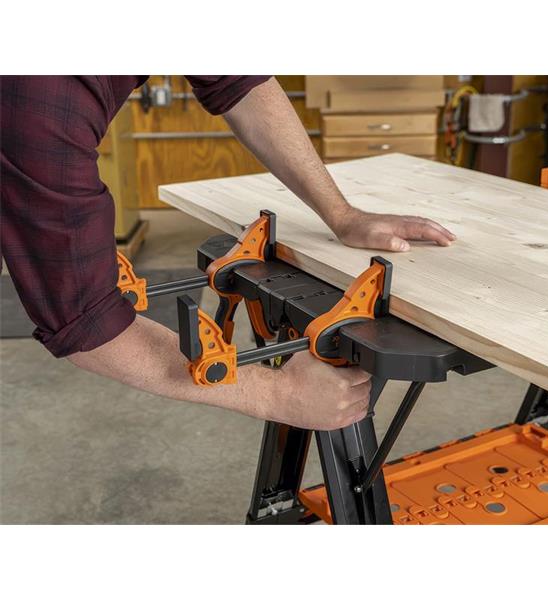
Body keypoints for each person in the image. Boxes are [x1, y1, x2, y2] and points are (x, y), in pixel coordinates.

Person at [0, 76, 455, 431]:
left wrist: (342, 215)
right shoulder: (39, 98)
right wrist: (274, 394)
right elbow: (89, 327)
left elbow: (241, 83)